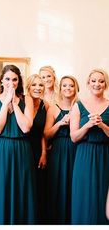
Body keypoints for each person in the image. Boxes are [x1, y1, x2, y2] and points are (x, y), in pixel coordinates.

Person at [0, 65, 36, 224]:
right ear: (1, 80)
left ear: (18, 81)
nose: (11, 83)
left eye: (14, 79)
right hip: (1, 150)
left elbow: (26, 127)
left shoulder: (26, 99)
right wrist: (6, 102)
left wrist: (14, 103)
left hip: (22, 150)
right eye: (7, 79)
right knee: (1, 191)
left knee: (21, 191)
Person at [70, 69, 109, 224]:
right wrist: (88, 125)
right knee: (84, 196)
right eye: (93, 81)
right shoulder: (78, 106)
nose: (97, 84)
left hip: (105, 154)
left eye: (101, 81)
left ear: (105, 84)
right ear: (88, 83)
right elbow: (74, 137)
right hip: (84, 155)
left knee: (103, 197)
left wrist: (102, 126)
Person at [44, 75, 79, 224]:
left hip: (77, 150)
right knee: (57, 185)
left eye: (71, 85)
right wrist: (60, 124)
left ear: (76, 88)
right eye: (64, 85)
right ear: (60, 88)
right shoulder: (53, 108)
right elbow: (46, 134)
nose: (68, 88)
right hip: (58, 150)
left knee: (75, 184)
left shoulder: (81, 106)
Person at [26, 74, 49, 224]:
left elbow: (43, 133)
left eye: (41, 85)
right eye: (34, 85)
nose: (38, 88)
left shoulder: (45, 106)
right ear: (28, 87)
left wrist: (44, 153)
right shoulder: (21, 103)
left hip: (37, 149)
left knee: (38, 187)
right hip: (22, 148)